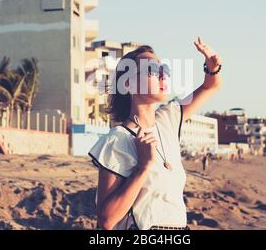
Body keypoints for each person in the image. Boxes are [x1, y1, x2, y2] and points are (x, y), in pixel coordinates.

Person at [88, 37, 223, 230]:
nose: (163, 75)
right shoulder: (118, 138)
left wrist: (212, 67)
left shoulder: (169, 118)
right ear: (127, 83)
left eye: (164, 69)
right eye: (152, 70)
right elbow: (106, 220)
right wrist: (143, 167)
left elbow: (210, 86)